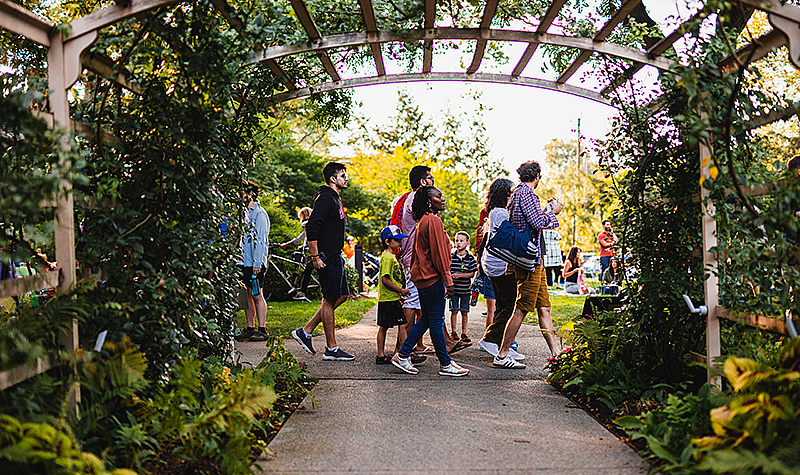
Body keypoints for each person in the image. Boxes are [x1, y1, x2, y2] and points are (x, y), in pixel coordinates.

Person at [391, 186, 469, 377]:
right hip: (431, 278)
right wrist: (448, 279)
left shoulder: (423, 221)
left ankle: (402, 355)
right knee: (436, 320)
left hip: (423, 277)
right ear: (428, 201)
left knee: (426, 318)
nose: (443, 199)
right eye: (438, 196)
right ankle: (445, 363)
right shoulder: (432, 221)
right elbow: (439, 254)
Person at [494, 161, 562, 367]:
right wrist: (552, 211)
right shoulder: (529, 194)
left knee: (545, 308)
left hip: (534, 260)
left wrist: (545, 210)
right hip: (530, 262)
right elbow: (538, 223)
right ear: (537, 176)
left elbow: (529, 220)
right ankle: (502, 355)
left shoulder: (516, 194)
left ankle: (557, 355)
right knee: (522, 308)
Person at [292, 162, 355, 361]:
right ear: (332, 179)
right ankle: (331, 349)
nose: (346, 178)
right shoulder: (326, 198)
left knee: (343, 295)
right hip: (325, 258)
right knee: (328, 299)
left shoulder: (335, 198)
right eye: (343, 175)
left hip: (335, 256)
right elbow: (312, 227)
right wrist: (315, 256)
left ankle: (306, 331)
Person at [477, 178, 526, 363]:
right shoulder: (501, 213)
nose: (512, 196)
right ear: (504, 194)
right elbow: (509, 236)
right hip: (499, 265)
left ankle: (499, 344)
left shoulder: (494, 211)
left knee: (502, 305)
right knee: (508, 306)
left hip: (492, 264)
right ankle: (491, 340)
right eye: (511, 193)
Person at [376, 225, 417, 364]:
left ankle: (382, 355)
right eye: (397, 240)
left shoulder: (391, 257)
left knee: (385, 326)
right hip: (389, 299)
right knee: (402, 325)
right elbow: (385, 280)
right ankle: (404, 354)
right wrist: (400, 291)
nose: (400, 243)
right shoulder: (387, 258)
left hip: (391, 298)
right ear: (387, 241)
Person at [235, 180, 270, 342]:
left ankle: (262, 330)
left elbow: (261, 240)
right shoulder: (242, 213)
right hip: (242, 262)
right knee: (246, 295)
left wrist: (257, 264)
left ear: (250, 194)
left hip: (254, 263)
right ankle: (250, 328)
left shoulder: (259, 214)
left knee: (256, 294)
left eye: (241, 192)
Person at [448, 231, 477, 343]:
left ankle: (464, 332)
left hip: (465, 290)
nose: (458, 243)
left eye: (461, 241)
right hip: (454, 290)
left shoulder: (470, 258)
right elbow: (448, 270)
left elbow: (472, 273)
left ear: (467, 243)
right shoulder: (451, 257)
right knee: (454, 310)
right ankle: (454, 331)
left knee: (464, 311)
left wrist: (460, 275)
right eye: (456, 240)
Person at [280, 207, 314, 300]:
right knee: (307, 269)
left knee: (308, 270)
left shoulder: (307, 225)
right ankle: (301, 292)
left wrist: (285, 245)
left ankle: (302, 293)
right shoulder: (313, 224)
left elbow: (299, 239)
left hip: (315, 252)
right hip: (315, 250)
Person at [475, 187, 496, 329]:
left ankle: (503, 338)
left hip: (498, 263)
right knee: (492, 308)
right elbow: (480, 234)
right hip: (490, 262)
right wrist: (478, 255)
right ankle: (490, 338)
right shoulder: (486, 212)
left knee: (501, 307)